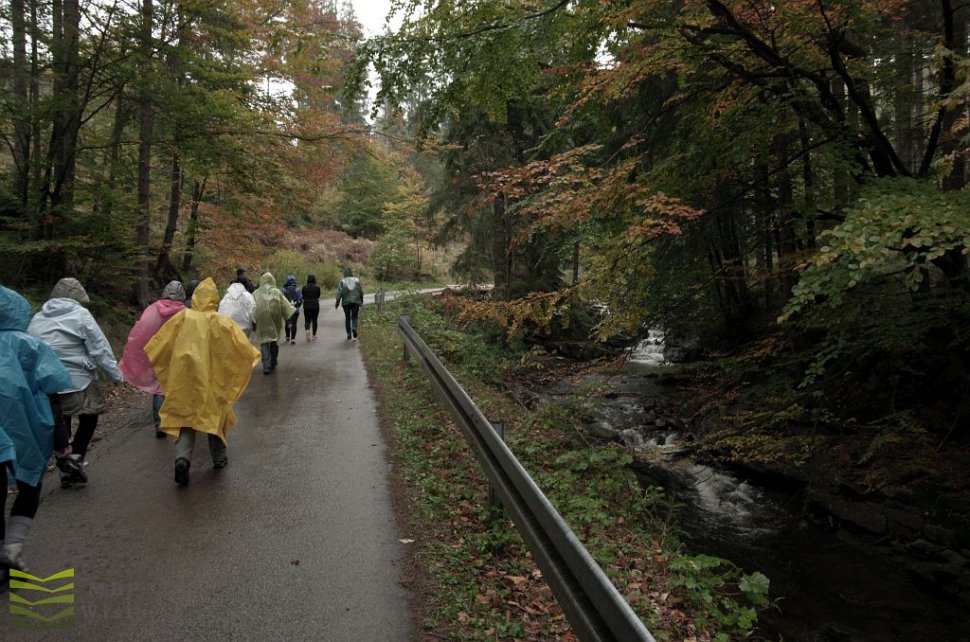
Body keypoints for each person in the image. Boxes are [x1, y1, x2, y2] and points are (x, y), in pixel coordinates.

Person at [144, 278, 260, 486]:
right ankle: (219, 458)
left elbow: (158, 345)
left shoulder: (181, 319)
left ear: (196, 297)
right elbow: (242, 347)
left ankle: (182, 459)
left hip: (184, 381)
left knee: (185, 422)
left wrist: (166, 369)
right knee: (215, 420)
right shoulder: (221, 322)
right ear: (214, 299)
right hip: (212, 382)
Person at [0, 285, 74, 572]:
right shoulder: (29, 346)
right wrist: (61, 442)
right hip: (23, 430)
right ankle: (13, 548)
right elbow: (52, 389)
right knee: (30, 485)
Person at [27, 278, 124, 483]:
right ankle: (76, 456)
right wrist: (116, 376)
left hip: (45, 382)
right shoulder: (81, 315)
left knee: (61, 422)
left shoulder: (37, 318)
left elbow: (29, 349)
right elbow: (99, 348)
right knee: (90, 414)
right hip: (77, 378)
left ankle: (65, 465)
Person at [118, 281, 186, 439]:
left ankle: (160, 423)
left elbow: (141, 330)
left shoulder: (153, 309)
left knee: (159, 389)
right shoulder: (184, 312)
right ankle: (179, 420)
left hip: (157, 354)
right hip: (177, 355)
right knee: (178, 387)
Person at [253, 273, 295, 374]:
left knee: (264, 342)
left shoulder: (255, 293)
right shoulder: (277, 292)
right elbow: (285, 307)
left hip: (261, 319)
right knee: (273, 340)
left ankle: (266, 366)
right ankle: (273, 361)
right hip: (274, 318)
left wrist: (252, 322)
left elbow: (251, 307)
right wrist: (288, 320)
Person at [335, 267, 364, 341]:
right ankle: (354, 327)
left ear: (344, 273)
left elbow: (339, 292)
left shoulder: (342, 281)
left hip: (346, 303)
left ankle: (348, 334)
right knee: (354, 316)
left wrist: (337, 302)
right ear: (351, 273)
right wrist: (361, 300)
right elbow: (360, 291)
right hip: (356, 302)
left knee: (347, 318)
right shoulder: (356, 280)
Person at [281, 275, 303, 345]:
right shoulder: (298, 289)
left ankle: (287, 337)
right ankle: (293, 339)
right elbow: (301, 299)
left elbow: (281, 299)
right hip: (295, 309)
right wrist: (298, 306)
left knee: (287, 322)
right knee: (294, 323)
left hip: (286, 310)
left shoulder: (283, 290)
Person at [301, 274, 322, 342]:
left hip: (306, 305)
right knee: (314, 320)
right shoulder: (317, 287)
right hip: (315, 305)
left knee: (307, 320)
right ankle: (314, 335)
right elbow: (318, 295)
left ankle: (307, 330)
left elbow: (303, 296)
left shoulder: (304, 287)